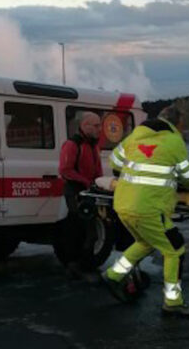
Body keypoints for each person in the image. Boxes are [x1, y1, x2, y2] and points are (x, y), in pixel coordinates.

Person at [102, 106, 189, 318]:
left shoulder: (134, 137)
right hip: (149, 208)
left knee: (147, 242)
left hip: (123, 204)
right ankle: (173, 302)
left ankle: (114, 275)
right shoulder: (174, 141)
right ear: (177, 123)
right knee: (175, 249)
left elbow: (114, 162)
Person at [58, 111, 103, 277]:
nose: (100, 129)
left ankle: (84, 264)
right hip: (75, 192)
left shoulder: (92, 145)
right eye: (96, 126)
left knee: (89, 231)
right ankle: (75, 265)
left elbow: (97, 170)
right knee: (78, 229)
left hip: (88, 192)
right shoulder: (72, 144)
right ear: (85, 126)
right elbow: (65, 170)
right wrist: (85, 181)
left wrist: (100, 183)